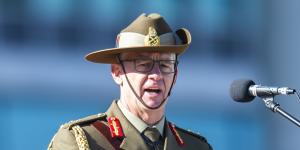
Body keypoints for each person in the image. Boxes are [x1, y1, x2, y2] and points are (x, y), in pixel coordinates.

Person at [48, 13, 212, 150]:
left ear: (175, 75)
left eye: (165, 65)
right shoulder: (83, 141)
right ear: (117, 72)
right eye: (143, 65)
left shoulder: (196, 146)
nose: (156, 75)